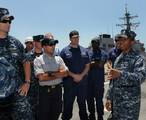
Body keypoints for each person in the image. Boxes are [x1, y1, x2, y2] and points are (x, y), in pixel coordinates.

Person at [0, 7, 33, 120]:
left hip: (16, 95)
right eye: (4, 20)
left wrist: (27, 82)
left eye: (10, 21)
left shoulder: (16, 43)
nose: (8, 23)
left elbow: (26, 61)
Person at [105, 30, 146, 120]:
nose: (120, 42)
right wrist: (109, 98)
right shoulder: (118, 58)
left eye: (124, 39)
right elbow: (113, 81)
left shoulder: (138, 59)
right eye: (119, 39)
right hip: (116, 106)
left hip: (129, 107)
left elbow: (140, 77)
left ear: (132, 42)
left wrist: (121, 74)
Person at [34, 38, 68, 120]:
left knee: (56, 113)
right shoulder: (38, 60)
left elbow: (66, 73)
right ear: (44, 47)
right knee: (44, 115)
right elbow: (41, 77)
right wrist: (58, 73)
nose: (53, 46)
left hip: (57, 90)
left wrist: (49, 73)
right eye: (50, 45)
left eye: (54, 44)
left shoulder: (58, 59)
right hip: (45, 92)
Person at [60, 30, 90, 120]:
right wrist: (74, 75)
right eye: (74, 37)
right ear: (70, 38)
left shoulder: (84, 50)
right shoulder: (64, 51)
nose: (76, 39)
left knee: (83, 106)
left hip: (82, 84)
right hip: (69, 84)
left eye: (78, 37)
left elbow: (87, 66)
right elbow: (62, 68)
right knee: (67, 107)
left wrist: (81, 75)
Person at [87, 37, 108, 120]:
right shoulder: (87, 52)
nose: (94, 44)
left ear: (99, 43)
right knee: (89, 100)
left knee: (99, 100)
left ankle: (100, 115)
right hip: (89, 82)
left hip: (99, 82)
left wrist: (91, 64)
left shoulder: (103, 53)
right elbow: (87, 65)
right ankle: (91, 115)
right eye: (92, 42)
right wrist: (94, 63)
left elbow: (100, 65)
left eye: (95, 42)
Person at [24, 35, 44, 120]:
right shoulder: (27, 56)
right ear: (35, 43)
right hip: (32, 90)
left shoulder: (47, 55)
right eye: (40, 41)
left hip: (44, 89)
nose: (42, 43)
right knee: (32, 113)